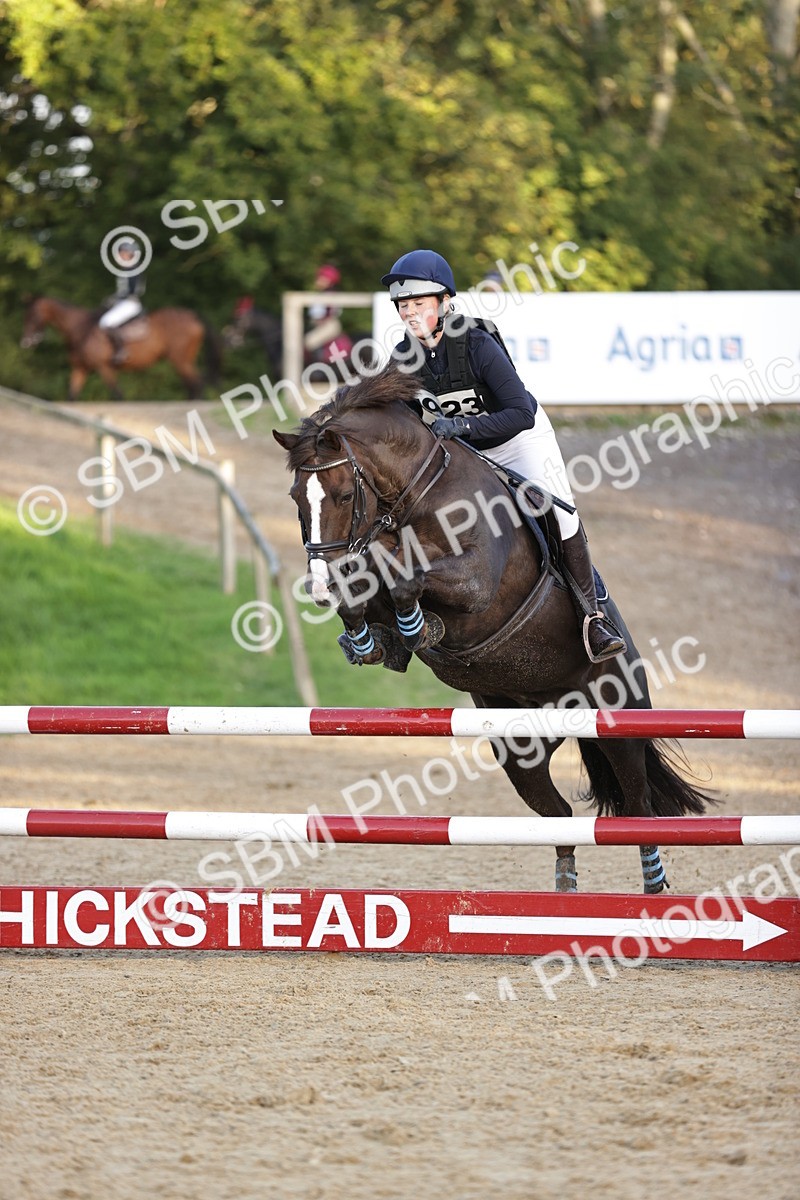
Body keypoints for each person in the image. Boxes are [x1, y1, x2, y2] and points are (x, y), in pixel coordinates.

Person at [380, 248, 626, 663]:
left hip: (517, 439)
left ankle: (593, 618)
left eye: (418, 303)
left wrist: (461, 428)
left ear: (443, 303)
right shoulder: (404, 359)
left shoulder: (476, 344)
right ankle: (393, 629)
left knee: (559, 513)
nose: (409, 312)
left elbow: (520, 413)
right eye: (403, 305)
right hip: (464, 457)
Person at [98, 240, 146, 365]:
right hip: (123, 302)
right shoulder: (125, 269)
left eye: (124, 252)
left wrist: (116, 297)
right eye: (121, 252)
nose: (121, 255)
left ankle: (121, 351)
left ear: (131, 254)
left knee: (106, 322)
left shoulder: (134, 268)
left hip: (130, 303)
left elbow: (134, 290)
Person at [304, 263, 352, 366]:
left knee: (309, 342)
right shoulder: (322, 294)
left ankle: (318, 366)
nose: (318, 280)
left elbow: (330, 312)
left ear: (329, 281)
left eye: (321, 278)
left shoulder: (330, 294)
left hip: (329, 324)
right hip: (321, 324)